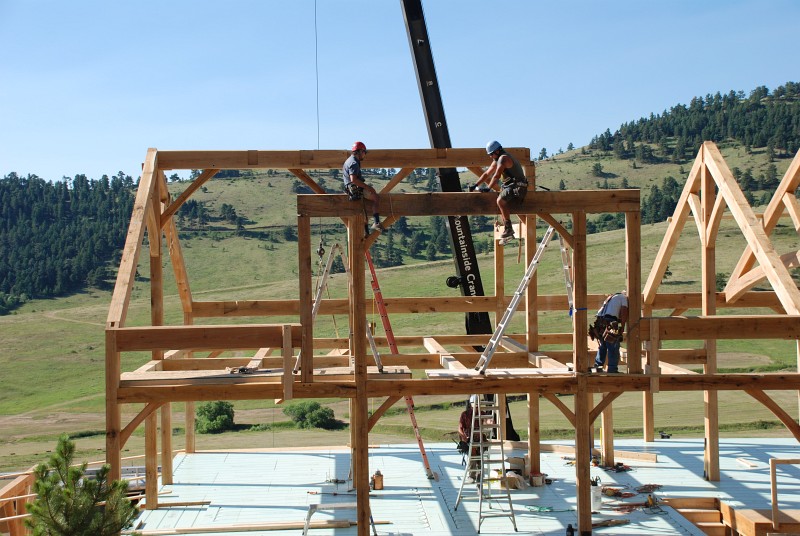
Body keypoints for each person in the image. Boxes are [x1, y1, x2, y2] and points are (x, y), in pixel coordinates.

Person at [472, 140, 528, 241]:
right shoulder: (497, 160)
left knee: (500, 201)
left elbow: (497, 176)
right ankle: (508, 232)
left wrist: (488, 188)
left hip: (517, 187)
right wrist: (475, 185)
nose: (490, 156)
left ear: (497, 151)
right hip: (511, 186)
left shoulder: (503, 159)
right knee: (500, 202)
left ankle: (508, 229)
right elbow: (486, 174)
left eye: (491, 154)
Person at [342, 141, 384, 233]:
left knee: (364, 210)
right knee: (376, 197)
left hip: (350, 189)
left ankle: (366, 232)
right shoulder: (354, 163)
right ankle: (376, 222)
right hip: (355, 189)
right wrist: (369, 188)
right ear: (360, 151)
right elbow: (353, 179)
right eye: (364, 152)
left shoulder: (349, 160)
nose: (364, 155)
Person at [592, 291, 629, 373]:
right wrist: (622, 326)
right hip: (610, 322)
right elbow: (624, 311)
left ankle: (598, 366)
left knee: (603, 346)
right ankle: (612, 369)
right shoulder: (623, 298)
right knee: (613, 346)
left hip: (600, 322)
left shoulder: (612, 298)